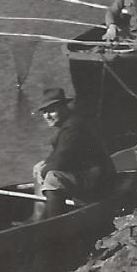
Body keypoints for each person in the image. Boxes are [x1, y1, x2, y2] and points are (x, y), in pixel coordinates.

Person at [31, 88, 115, 218]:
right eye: (44, 112)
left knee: (52, 177)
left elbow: (60, 160)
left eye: (52, 111)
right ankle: (40, 216)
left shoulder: (72, 129)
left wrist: (43, 172)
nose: (47, 116)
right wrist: (43, 164)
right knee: (43, 170)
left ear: (64, 108)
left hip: (98, 180)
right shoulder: (69, 124)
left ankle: (52, 224)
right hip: (89, 175)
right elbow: (58, 153)